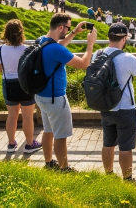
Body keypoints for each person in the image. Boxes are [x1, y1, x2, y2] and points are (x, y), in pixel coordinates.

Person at [35, 13, 97, 171]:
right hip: (55, 98)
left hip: (41, 95)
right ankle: (64, 168)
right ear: (60, 27)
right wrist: (90, 44)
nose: (68, 30)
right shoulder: (55, 49)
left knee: (48, 130)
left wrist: (74, 32)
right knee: (60, 136)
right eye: (68, 28)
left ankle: (49, 163)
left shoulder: (41, 40)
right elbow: (83, 63)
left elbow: (58, 46)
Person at [97, 23, 136, 182]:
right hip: (125, 108)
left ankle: (108, 176)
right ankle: (127, 179)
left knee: (108, 143)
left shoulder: (97, 55)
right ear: (125, 38)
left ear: (109, 37)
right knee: (125, 146)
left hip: (105, 107)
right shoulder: (128, 58)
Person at [0, 19, 42, 153]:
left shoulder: (0, 48)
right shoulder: (27, 49)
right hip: (25, 83)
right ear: (21, 32)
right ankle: (29, 144)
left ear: (6, 33)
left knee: (11, 116)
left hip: (8, 84)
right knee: (27, 117)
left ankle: (11, 144)